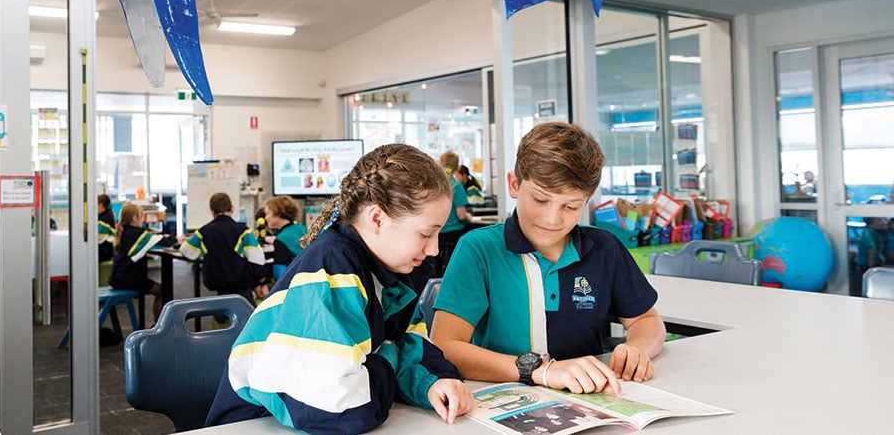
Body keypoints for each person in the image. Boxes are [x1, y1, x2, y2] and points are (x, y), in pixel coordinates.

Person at [205, 143, 473, 433]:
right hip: (252, 424)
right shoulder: (332, 269)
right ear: (377, 219)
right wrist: (390, 357)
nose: (434, 249)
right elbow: (342, 409)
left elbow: (415, 345)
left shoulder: (394, 274)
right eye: (425, 233)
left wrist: (437, 381)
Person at [431, 122, 665, 396]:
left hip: (589, 397)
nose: (553, 219)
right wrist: (540, 371)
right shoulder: (479, 249)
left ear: (587, 201)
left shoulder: (605, 248)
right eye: (541, 200)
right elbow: (445, 345)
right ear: (514, 184)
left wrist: (638, 348)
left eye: (571, 206)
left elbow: (645, 320)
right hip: (504, 396)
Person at [180, 192, 268, 301]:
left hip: (215, 280)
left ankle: (220, 316)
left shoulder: (203, 231)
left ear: (212, 211)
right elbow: (256, 258)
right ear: (232, 209)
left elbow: (185, 250)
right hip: (240, 281)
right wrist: (261, 280)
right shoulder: (243, 231)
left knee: (222, 307)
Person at [108, 202, 180, 323]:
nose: (143, 220)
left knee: (158, 288)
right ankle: (159, 326)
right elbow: (164, 242)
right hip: (130, 280)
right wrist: (179, 238)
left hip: (117, 278)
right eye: (142, 217)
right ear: (135, 218)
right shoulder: (138, 234)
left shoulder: (123, 231)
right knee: (162, 290)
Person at [434, 151, 470, 274]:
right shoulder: (456, 186)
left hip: (437, 233)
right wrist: (469, 217)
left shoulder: (435, 185)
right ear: (457, 166)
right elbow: (461, 215)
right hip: (453, 233)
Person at [262, 195, 307, 269]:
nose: (265, 218)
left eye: (267, 213)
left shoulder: (281, 239)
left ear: (278, 213)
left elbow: (279, 272)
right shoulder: (303, 229)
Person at [852, 217, 885, 296]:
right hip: (867, 264)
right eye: (879, 220)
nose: (882, 222)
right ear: (873, 222)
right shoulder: (867, 233)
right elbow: (871, 248)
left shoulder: (875, 233)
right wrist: (871, 264)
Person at [96, 193, 116, 264]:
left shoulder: (104, 219)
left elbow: (97, 236)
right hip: (106, 250)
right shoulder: (106, 216)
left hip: (105, 252)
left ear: (101, 205)